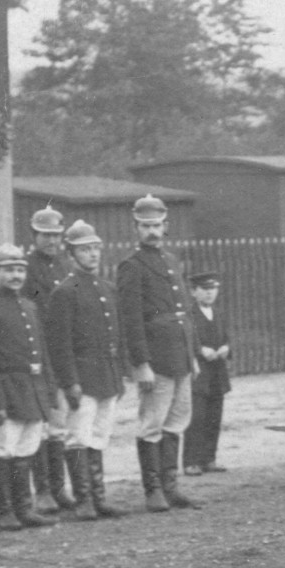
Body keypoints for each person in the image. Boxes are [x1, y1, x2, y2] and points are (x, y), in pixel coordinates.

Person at [116, 195, 200, 512]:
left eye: (156, 225)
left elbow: (185, 311)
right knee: (152, 423)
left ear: (166, 226)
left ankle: (170, 487)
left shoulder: (172, 260)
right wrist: (141, 363)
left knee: (177, 421)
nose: (152, 231)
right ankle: (153, 490)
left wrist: (192, 355)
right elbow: (131, 319)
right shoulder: (132, 266)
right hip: (157, 359)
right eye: (145, 226)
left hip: (181, 355)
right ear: (135, 228)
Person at [0, 242, 61, 531]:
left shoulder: (29, 307)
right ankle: (4, 510)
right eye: (8, 270)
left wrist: (48, 391)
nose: (16, 276)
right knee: (2, 449)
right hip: (6, 389)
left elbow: (42, 354)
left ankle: (24, 507)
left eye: (20, 270)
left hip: (31, 388)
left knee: (26, 449)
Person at [44, 222, 129, 513]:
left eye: (95, 249)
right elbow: (60, 343)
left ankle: (99, 498)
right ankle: (84, 500)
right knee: (78, 436)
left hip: (107, 375)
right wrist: (70, 382)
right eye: (84, 250)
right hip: (83, 377)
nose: (92, 255)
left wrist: (120, 375)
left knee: (99, 435)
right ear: (71, 255)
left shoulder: (107, 289)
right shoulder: (65, 292)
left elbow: (117, 335)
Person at [21, 206, 78, 513]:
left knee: (59, 423)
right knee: (40, 424)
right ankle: (42, 490)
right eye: (46, 235)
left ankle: (58, 488)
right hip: (37, 352)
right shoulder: (27, 268)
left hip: (62, 351)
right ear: (34, 235)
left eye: (56, 235)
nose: (52, 241)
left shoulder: (66, 265)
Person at [182, 270, 232, 476]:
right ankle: (191, 461)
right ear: (193, 292)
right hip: (199, 374)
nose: (210, 293)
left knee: (214, 417)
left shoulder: (219, 313)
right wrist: (200, 350)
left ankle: (209, 459)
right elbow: (185, 341)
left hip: (217, 373)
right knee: (197, 418)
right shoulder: (188, 315)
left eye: (213, 289)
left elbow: (227, 337)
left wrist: (226, 348)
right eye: (204, 289)